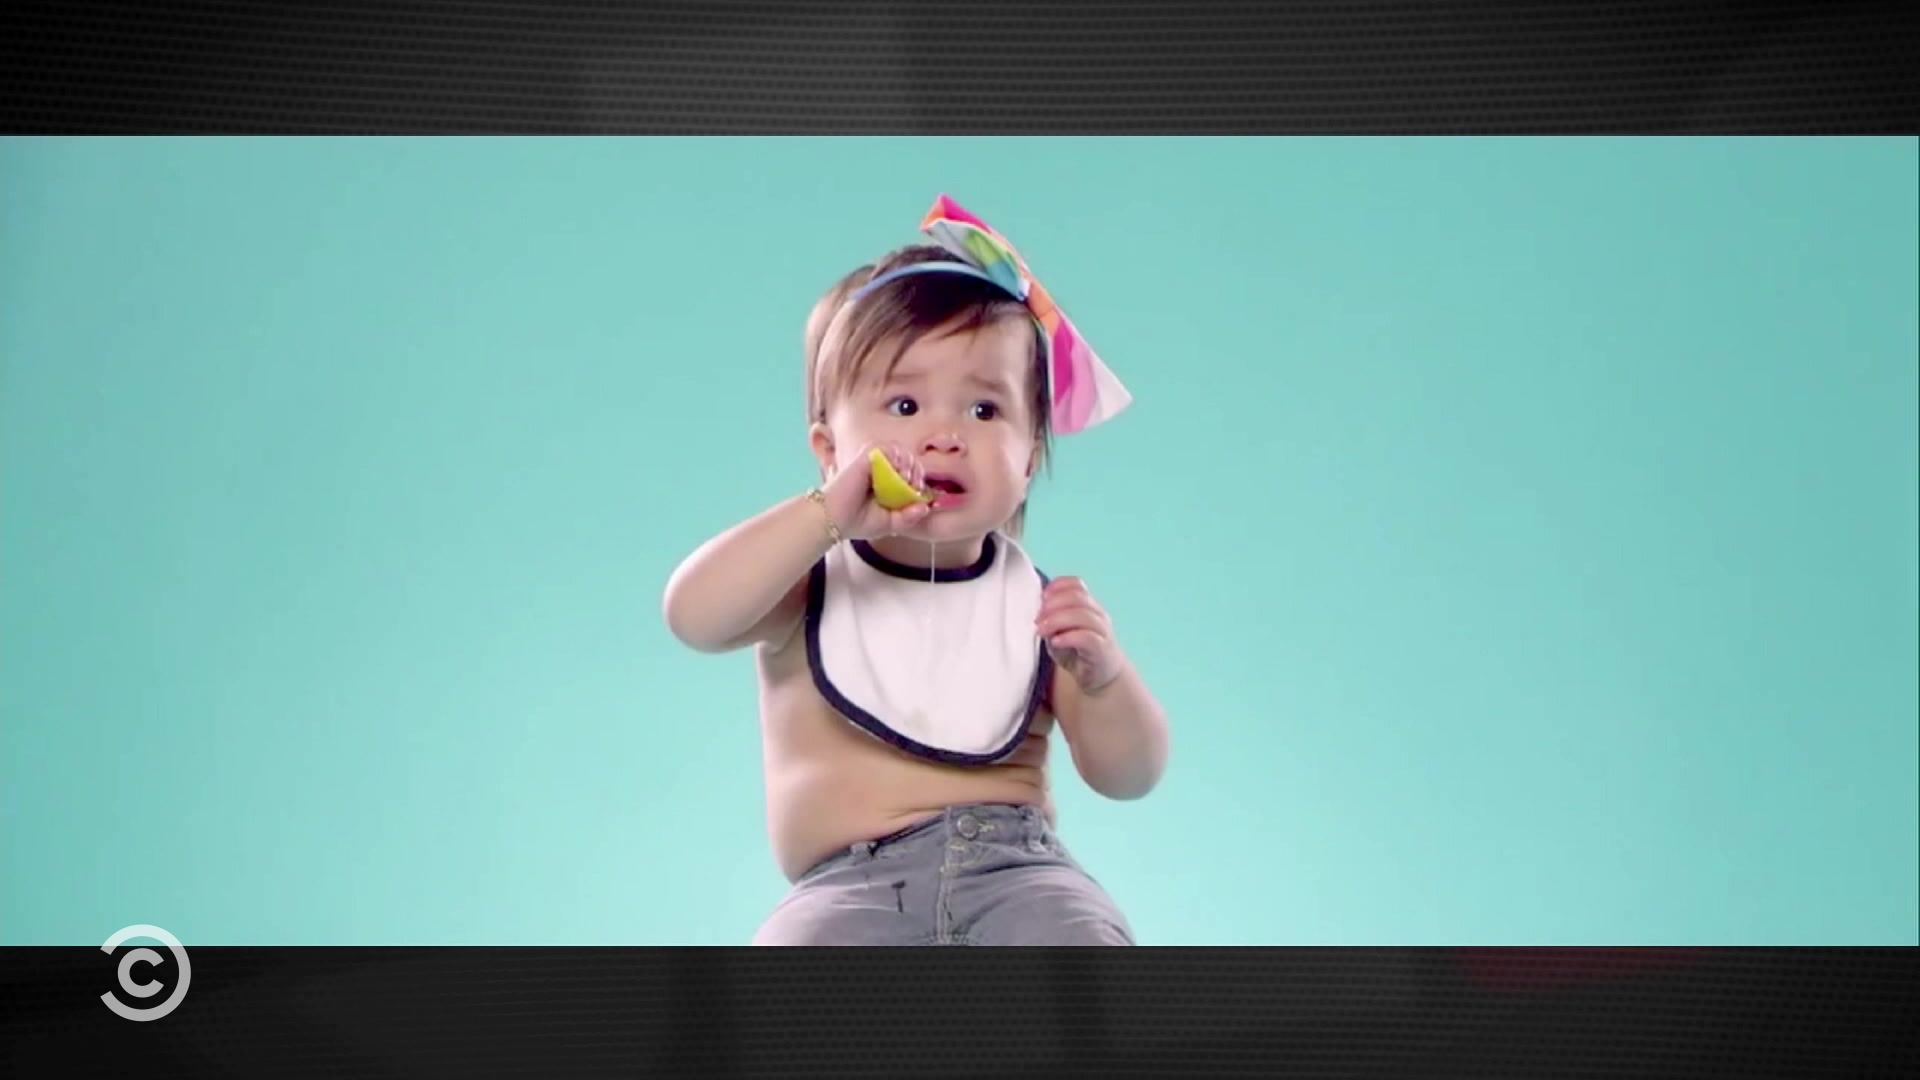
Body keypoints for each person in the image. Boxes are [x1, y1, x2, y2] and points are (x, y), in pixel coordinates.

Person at [662, 195, 1169, 945]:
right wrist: (824, 515)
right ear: (830, 451)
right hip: (848, 887)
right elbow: (693, 616)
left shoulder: (1034, 610)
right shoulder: (805, 583)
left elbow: (1129, 777)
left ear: (1030, 458)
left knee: (1081, 937)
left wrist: (1103, 678)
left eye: (985, 411)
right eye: (903, 405)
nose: (943, 436)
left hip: (1019, 873)